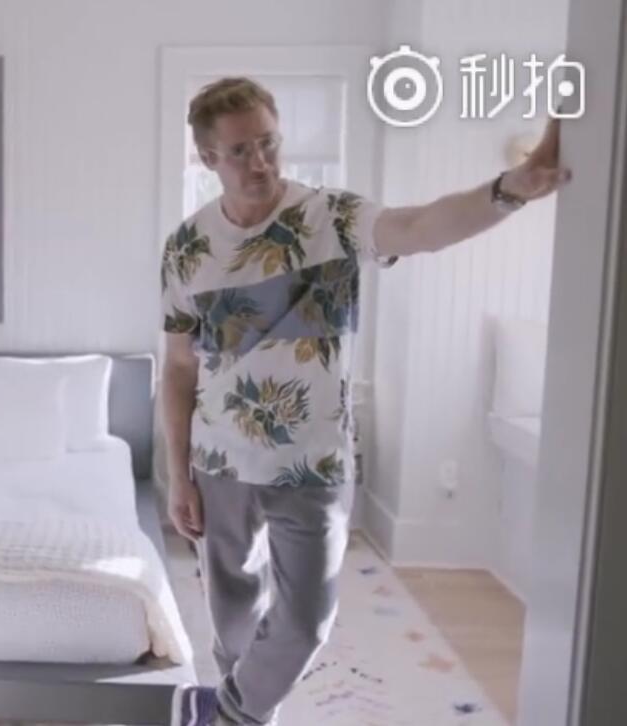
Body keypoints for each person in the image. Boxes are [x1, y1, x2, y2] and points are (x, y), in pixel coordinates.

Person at [163, 78, 569, 726]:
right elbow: (180, 366)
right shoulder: (187, 248)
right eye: (240, 151)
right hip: (220, 462)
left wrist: (509, 190)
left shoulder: (331, 217)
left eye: (268, 142)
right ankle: (238, 707)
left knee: (305, 622)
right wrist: (177, 472)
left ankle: (225, 716)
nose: (261, 161)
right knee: (234, 617)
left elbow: (420, 226)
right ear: (208, 158)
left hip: (313, 463)